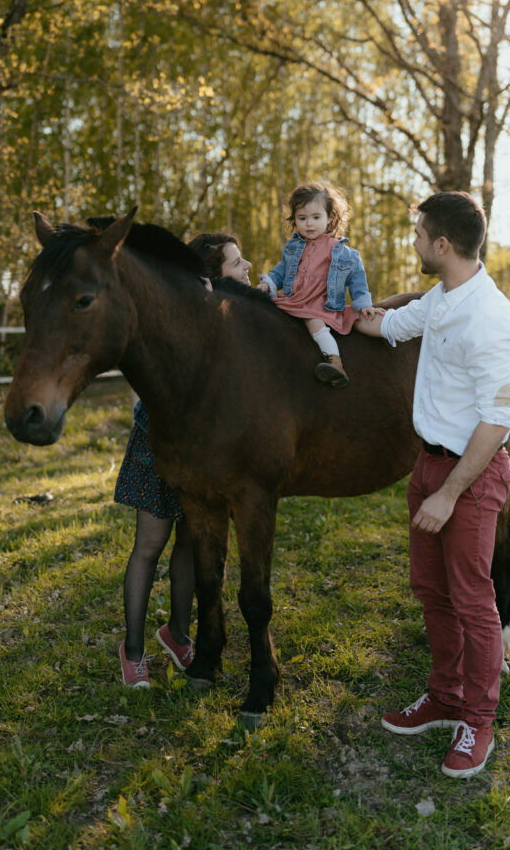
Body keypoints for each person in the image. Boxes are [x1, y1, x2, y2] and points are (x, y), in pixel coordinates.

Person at [356, 191, 510, 779]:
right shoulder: (442, 297)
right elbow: (388, 325)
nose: (414, 243)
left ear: (442, 245)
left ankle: (477, 721)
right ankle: (445, 695)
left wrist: (449, 492)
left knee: (473, 600)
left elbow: (496, 422)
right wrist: (326, 305)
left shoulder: (492, 319)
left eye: (418, 235)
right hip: (428, 466)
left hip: (470, 477)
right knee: (431, 590)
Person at [115, 232, 252, 688]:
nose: (247, 266)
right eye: (236, 263)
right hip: (159, 444)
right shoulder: (183, 316)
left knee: (193, 545)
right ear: (212, 277)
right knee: (150, 546)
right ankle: (132, 650)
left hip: (203, 449)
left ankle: (176, 634)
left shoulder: (232, 316)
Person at [257, 180, 379, 387]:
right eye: (302, 218)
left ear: (330, 217)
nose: (309, 224)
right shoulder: (294, 247)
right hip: (293, 299)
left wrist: (363, 304)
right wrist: (269, 284)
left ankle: (335, 362)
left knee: (315, 324)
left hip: (318, 304)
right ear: (294, 219)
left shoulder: (342, 253)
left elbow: (358, 282)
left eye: (316, 217)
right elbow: (281, 271)